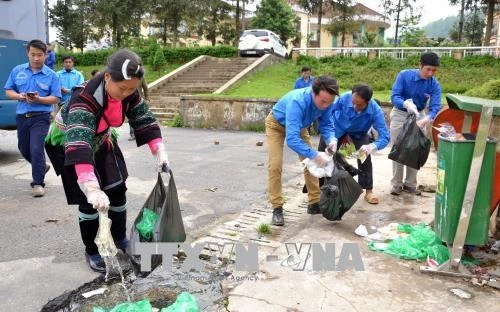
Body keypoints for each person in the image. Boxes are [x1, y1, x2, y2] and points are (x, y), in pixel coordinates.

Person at [45, 49, 169, 273]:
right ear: (107, 77)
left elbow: (144, 119)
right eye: (122, 88)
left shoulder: (128, 91)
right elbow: (79, 145)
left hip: (103, 141)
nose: (127, 93)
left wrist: (158, 149)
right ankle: (92, 249)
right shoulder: (83, 100)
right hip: (71, 145)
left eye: (132, 89)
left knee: (117, 190)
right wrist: (91, 187)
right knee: (89, 203)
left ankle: (120, 239)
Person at [266, 76, 339, 226]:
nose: (326, 105)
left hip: (300, 127)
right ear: (314, 93)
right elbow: (292, 140)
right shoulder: (297, 102)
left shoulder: (327, 102)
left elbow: (326, 124)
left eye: (329, 102)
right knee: (275, 165)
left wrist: (332, 139)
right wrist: (314, 155)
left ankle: (314, 202)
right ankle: (277, 207)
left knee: (311, 163)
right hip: (276, 125)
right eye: (323, 101)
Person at [4, 39, 61, 197]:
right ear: (27, 54)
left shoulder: (52, 75)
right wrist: (20, 96)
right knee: (23, 149)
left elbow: (56, 97)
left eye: (40, 55)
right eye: (33, 54)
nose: (36, 58)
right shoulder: (17, 70)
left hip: (41, 117)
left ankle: (38, 183)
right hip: (22, 116)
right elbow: (8, 90)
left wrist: (39, 100)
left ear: (45, 55)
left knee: (36, 148)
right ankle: (42, 166)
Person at [317, 84, 390, 204]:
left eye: (360, 105)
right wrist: (329, 134)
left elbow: (385, 137)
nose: (355, 107)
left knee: (364, 157)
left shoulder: (375, 111)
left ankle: (368, 191)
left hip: (358, 133)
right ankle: (320, 189)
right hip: (337, 128)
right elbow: (327, 111)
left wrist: (372, 146)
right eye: (353, 103)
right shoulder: (344, 98)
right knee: (323, 155)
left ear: (368, 102)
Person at [389, 52, 442, 196]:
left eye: (434, 70)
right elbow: (394, 96)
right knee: (398, 148)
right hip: (401, 113)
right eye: (428, 69)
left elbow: (436, 106)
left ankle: (410, 184)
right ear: (420, 65)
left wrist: (427, 118)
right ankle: (396, 184)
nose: (430, 73)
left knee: (415, 149)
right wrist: (405, 103)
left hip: (420, 114)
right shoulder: (404, 75)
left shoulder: (434, 84)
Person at [129, 76, 149, 141]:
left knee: (140, 117)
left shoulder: (141, 77)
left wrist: (147, 98)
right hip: (129, 101)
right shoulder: (127, 76)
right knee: (131, 118)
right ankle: (133, 135)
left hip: (139, 100)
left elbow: (145, 88)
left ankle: (141, 133)